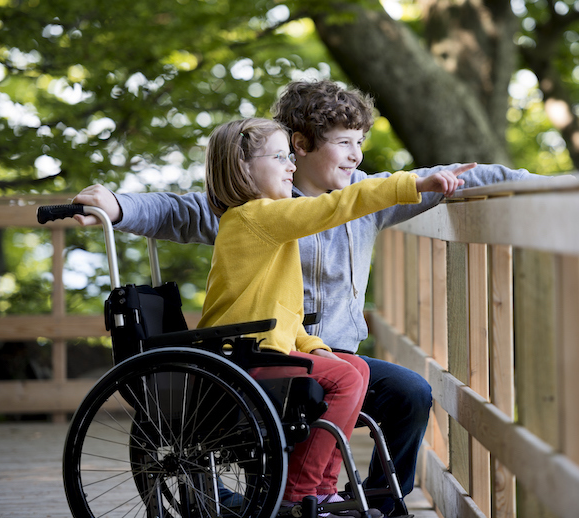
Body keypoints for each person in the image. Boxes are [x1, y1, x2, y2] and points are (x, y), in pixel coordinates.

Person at [73, 79, 551, 516]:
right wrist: (118, 206)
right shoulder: (248, 208)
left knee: (412, 393)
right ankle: (298, 495)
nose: (356, 157)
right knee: (336, 385)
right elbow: (174, 209)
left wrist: (540, 187)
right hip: (260, 356)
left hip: (324, 350)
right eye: (344, 143)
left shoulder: (365, 197)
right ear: (299, 147)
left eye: (359, 143)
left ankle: (376, 502)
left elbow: (452, 175)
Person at [194, 116, 472, 517]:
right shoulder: (255, 217)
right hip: (241, 361)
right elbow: (337, 206)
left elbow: (281, 318)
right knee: (344, 377)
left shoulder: (268, 225)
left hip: (264, 349)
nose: (291, 165)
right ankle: (300, 491)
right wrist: (409, 185)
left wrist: (319, 347)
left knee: (352, 367)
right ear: (244, 169)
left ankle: (323, 489)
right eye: (279, 157)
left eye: (291, 156)